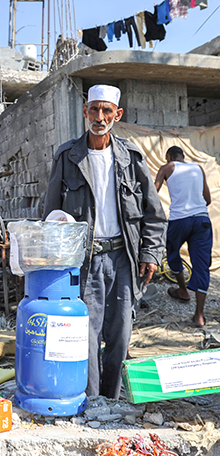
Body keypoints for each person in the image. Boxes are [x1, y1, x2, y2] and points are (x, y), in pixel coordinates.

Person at [43, 84, 167, 399]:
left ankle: (111, 399)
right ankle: (92, 399)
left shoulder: (132, 158)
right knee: (86, 334)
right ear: (85, 112)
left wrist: (150, 254)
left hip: (123, 258)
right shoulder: (68, 156)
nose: (100, 117)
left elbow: (154, 213)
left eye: (106, 110)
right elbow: (50, 214)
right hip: (85, 261)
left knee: (121, 334)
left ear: (117, 114)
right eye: (94, 110)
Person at [154, 145, 212, 327]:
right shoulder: (197, 168)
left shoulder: (166, 168)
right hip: (202, 220)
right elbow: (207, 199)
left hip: (179, 220)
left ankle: (183, 290)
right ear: (183, 156)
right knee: (201, 264)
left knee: (172, 252)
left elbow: (152, 193)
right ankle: (199, 316)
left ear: (169, 157)